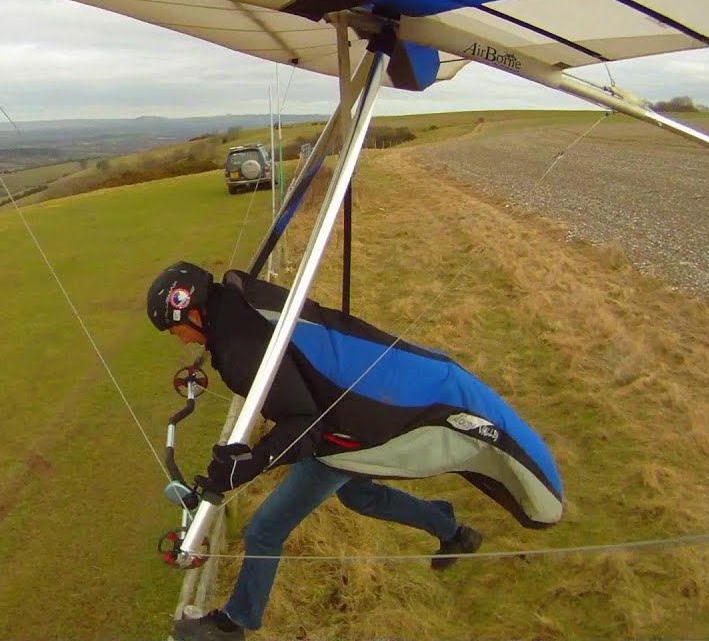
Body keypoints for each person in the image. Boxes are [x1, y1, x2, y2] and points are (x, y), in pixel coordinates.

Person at [147, 261, 563, 641]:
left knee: (265, 529)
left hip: (349, 423)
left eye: (177, 328)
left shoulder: (239, 344)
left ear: (195, 311)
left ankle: (233, 624)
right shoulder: (235, 307)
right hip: (346, 411)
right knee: (357, 493)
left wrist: (248, 465)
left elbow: (305, 426)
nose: (180, 339)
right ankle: (451, 529)